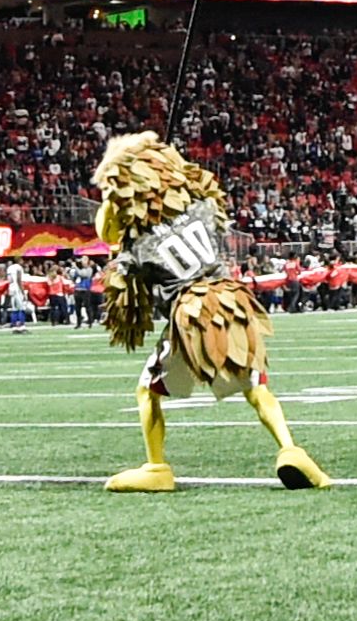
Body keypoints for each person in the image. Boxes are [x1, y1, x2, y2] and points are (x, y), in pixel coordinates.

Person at [97, 132, 331, 489]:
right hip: (229, 302)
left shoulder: (139, 247)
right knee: (257, 389)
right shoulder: (199, 210)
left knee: (148, 391)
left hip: (190, 312)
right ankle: (291, 450)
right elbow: (202, 190)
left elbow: (111, 247)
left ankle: (157, 467)